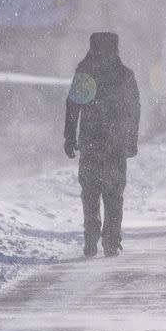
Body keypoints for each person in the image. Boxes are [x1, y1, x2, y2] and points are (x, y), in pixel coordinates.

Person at [64, 32, 140, 257]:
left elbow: (73, 106)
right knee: (113, 193)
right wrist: (131, 140)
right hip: (115, 145)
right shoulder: (125, 75)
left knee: (90, 192)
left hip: (90, 142)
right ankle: (111, 240)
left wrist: (69, 137)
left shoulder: (86, 74)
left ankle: (90, 238)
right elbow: (134, 110)